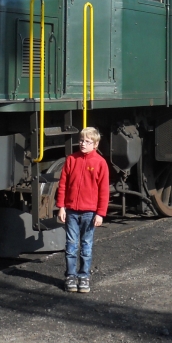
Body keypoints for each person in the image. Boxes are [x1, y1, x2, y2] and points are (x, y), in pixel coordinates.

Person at [55, 126, 109, 294]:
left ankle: (84, 276)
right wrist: (61, 206)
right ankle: (70, 276)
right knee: (71, 245)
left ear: (95, 144)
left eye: (87, 141)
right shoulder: (71, 159)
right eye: (81, 140)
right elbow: (62, 185)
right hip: (71, 210)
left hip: (89, 212)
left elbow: (104, 191)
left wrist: (100, 213)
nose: (83, 144)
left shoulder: (100, 163)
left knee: (86, 246)